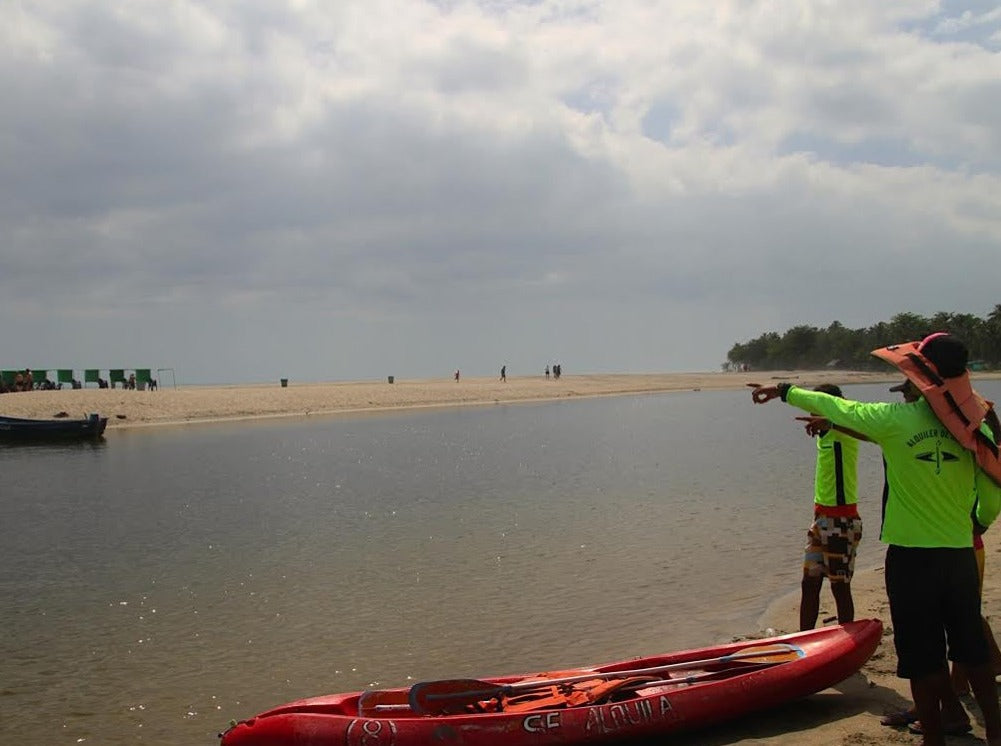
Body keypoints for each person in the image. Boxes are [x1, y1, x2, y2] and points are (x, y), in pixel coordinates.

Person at [750, 333, 1001, 746]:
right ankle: (994, 731)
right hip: (958, 554)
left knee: (923, 659)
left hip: (911, 560)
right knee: (970, 648)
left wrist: (784, 390)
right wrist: (977, 525)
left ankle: (934, 738)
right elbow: (992, 491)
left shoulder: (895, 421)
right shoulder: (974, 428)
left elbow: (839, 406)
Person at [795, 384, 862, 630]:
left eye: (818, 408)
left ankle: (848, 640)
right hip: (821, 518)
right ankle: (804, 639)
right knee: (809, 582)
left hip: (841, 521)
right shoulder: (824, 434)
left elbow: (851, 416)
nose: (813, 414)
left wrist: (832, 422)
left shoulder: (846, 431)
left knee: (839, 585)